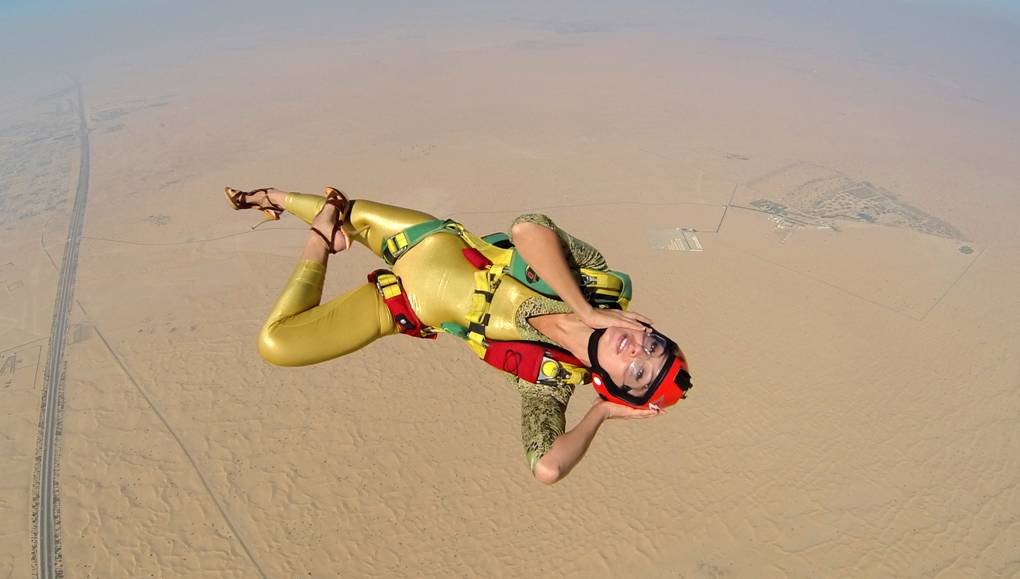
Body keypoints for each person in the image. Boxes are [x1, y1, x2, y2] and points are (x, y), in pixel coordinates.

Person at [225, 186, 692, 484]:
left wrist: (601, 413)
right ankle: (272, 199)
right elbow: (528, 228)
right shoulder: (594, 278)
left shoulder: (547, 383)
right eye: (653, 345)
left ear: (612, 383)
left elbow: (547, 467)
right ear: (648, 326)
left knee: (277, 345)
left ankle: (321, 233)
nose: (636, 349)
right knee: (348, 212)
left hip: (402, 303)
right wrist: (585, 310)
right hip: (426, 241)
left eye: (636, 371)